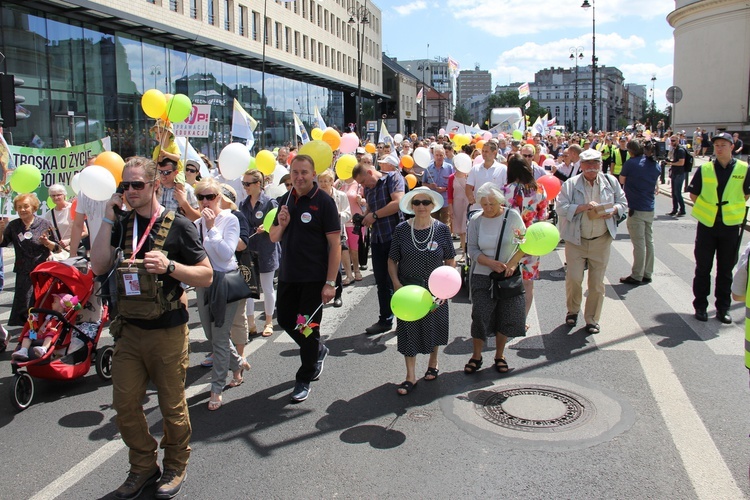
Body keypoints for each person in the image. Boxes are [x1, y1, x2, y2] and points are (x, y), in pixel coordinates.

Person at [90, 156, 212, 499]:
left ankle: (175, 464)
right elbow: (98, 264)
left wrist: (171, 265)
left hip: (168, 331)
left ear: (155, 185)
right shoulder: (120, 221)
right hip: (129, 329)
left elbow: (206, 275)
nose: (129, 192)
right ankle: (143, 466)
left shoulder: (178, 225)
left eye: (137, 185)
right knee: (125, 404)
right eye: (124, 186)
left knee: (172, 407)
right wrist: (106, 216)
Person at [269, 154, 341, 403]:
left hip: (314, 278)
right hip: (289, 275)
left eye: (304, 172)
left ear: (313, 174)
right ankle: (317, 350)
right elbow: (273, 237)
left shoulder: (324, 202)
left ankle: (305, 375)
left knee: (306, 327)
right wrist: (282, 223)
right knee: (287, 320)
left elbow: (335, 245)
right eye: (294, 172)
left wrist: (330, 282)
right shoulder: (285, 200)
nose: (299, 177)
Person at [387, 187, 455, 394]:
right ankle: (410, 376)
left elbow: (450, 259)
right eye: (416, 203)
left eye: (426, 202)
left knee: (434, 325)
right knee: (408, 330)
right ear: (411, 206)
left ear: (433, 205)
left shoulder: (442, 229)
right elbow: (392, 259)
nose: (421, 207)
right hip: (409, 289)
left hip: (435, 290)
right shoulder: (401, 229)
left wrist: (445, 288)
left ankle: (433, 362)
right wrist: (397, 284)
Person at [193, 177, 249, 410]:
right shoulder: (196, 224)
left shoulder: (229, 219)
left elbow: (226, 254)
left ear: (219, 198)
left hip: (225, 281)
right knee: (211, 333)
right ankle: (237, 363)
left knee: (219, 335)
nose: (205, 201)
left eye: (210, 197)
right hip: (203, 281)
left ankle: (216, 388)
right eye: (200, 197)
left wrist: (213, 228)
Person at [557, 149, 628, 334]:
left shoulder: (611, 182)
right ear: (580, 165)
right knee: (574, 279)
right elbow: (561, 208)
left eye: (595, 163)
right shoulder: (571, 184)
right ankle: (572, 311)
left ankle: (592, 319)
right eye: (587, 164)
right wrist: (583, 207)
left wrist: (613, 211)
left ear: (600, 165)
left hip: (601, 239)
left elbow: (623, 203)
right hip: (576, 240)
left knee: (596, 283)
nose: (591, 167)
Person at [687, 132, 750, 323]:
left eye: (723, 144)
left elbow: (745, 195)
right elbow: (694, 195)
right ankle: (701, 306)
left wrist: (729, 209)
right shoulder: (705, 168)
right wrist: (710, 210)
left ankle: (723, 308)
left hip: (730, 227)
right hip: (707, 225)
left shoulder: (744, 168)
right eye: (716, 145)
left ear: (732, 147)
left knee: (725, 270)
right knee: (703, 268)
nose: (719, 148)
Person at [465, 182, 526, 374]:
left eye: (492, 204)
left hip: (507, 276)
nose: (488, 208)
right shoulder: (476, 220)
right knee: (480, 315)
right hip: (482, 275)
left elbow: (523, 243)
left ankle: (500, 355)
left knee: (506, 315)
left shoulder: (512, 216)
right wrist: (490, 263)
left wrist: (513, 264)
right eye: (484, 204)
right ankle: (476, 355)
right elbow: (472, 249)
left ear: (500, 202)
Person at [352, 162, 405, 335]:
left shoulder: (393, 178)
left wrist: (373, 216)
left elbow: (398, 203)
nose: (363, 186)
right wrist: (364, 216)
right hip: (377, 238)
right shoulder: (369, 188)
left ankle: (405, 319)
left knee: (399, 280)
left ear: (369, 171)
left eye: (363, 181)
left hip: (395, 236)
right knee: (382, 281)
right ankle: (385, 320)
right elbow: (371, 208)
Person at [0, 193, 61, 326]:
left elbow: (57, 248)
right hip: (23, 271)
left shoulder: (44, 224)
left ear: (33, 208)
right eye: (19, 207)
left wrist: (47, 243)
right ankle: (25, 336)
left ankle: (43, 332)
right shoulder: (14, 226)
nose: (22, 210)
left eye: (26, 206)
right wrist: (1, 230)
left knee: (42, 302)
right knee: (24, 305)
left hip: (42, 271)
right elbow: (2, 243)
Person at [503, 153, 548, 322]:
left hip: (511, 241)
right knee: (528, 283)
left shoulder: (505, 190)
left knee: (509, 279)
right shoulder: (539, 189)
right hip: (533, 240)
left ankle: (508, 318)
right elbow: (543, 216)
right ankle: (522, 319)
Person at [239, 169, 279, 338]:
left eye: (247, 184)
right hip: (248, 251)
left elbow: (279, 223)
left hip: (266, 249)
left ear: (258, 184)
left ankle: (268, 322)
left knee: (267, 288)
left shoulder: (270, 202)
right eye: (243, 184)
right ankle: (251, 323)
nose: (245, 187)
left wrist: (268, 227)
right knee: (248, 289)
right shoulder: (242, 204)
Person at [619, 141, 661, 285]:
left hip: (636, 207)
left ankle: (637, 275)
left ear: (630, 151)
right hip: (649, 207)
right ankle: (647, 273)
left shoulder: (631, 163)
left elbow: (622, 179)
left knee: (639, 243)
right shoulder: (654, 164)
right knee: (649, 241)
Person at [318, 169, 350, 306]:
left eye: (326, 181)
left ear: (332, 182)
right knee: (322, 265)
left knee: (336, 266)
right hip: (320, 236)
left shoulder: (341, 196)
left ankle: (338, 294)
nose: (323, 184)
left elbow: (348, 214)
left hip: (337, 235)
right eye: (321, 181)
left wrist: (336, 216)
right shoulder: (316, 197)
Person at [11, 293, 77, 361]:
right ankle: (23, 350)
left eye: (55, 302)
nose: (52, 303)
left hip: (51, 334)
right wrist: (37, 324)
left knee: (50, 335)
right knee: (30, 332)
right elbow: (44, 322)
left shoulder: (64, 316)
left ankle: (44, 348)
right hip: (40, 334)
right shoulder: (49, 314)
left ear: (62, 305)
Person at [334, 171, 365, 282]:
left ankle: (357, 270)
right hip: (341, 220)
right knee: (344, 249)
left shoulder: (358, 184)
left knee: (354, 248)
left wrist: (361, 200)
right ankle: (349, 274)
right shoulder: (338, 183)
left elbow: (365, 200)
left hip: (354, 220)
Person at [43, 183, 84, 260]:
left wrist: (69, 241)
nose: (56, 197)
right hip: (58, 253)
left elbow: (85, 232)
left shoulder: (74, 209)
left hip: (74, 250)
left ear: (64, 195)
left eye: (59, 195)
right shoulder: (49, 214)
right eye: (53, 195)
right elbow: (48, 234)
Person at [465, 141, 507, 213]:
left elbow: (506, 188)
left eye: (486, 151)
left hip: (496, 210)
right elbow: (468, 187)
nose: (484, 154)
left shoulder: (503, 169)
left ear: (494, 153)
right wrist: (471, 198)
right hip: (478, 209)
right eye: (483, 151)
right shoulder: (475, 168)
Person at [423, 144, 454, 226]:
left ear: (444, 156)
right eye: (437, 155)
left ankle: (445, 238)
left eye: (441, 155)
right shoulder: (428, 168)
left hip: (445, 200)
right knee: (433, 223)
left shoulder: (449, 168)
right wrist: (430, 186)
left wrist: (445, 189)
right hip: (433, 200)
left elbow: (453, 184)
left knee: (445, 223)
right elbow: (423, 183)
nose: (439, 157)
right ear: (434, 155)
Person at [448, 167, 469, 261]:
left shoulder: (469, 175)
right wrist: (450, 208)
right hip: (457, 204)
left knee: (466, 229)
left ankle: (467, 254)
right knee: (461, 231)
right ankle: (464, 253)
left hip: (469, 204)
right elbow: (449, 194)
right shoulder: (452, 177)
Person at [665, 135, 687, 216]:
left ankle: (682, 209)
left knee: (677, 192)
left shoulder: (680, 150)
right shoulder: (675, 150)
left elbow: (681, 162)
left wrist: (670, 163)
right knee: (673, 193)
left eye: (674, 141)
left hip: (680, 173)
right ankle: (674, 209)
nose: (672, 142)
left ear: (678, 141)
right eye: (671, 141)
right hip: (675, 173)